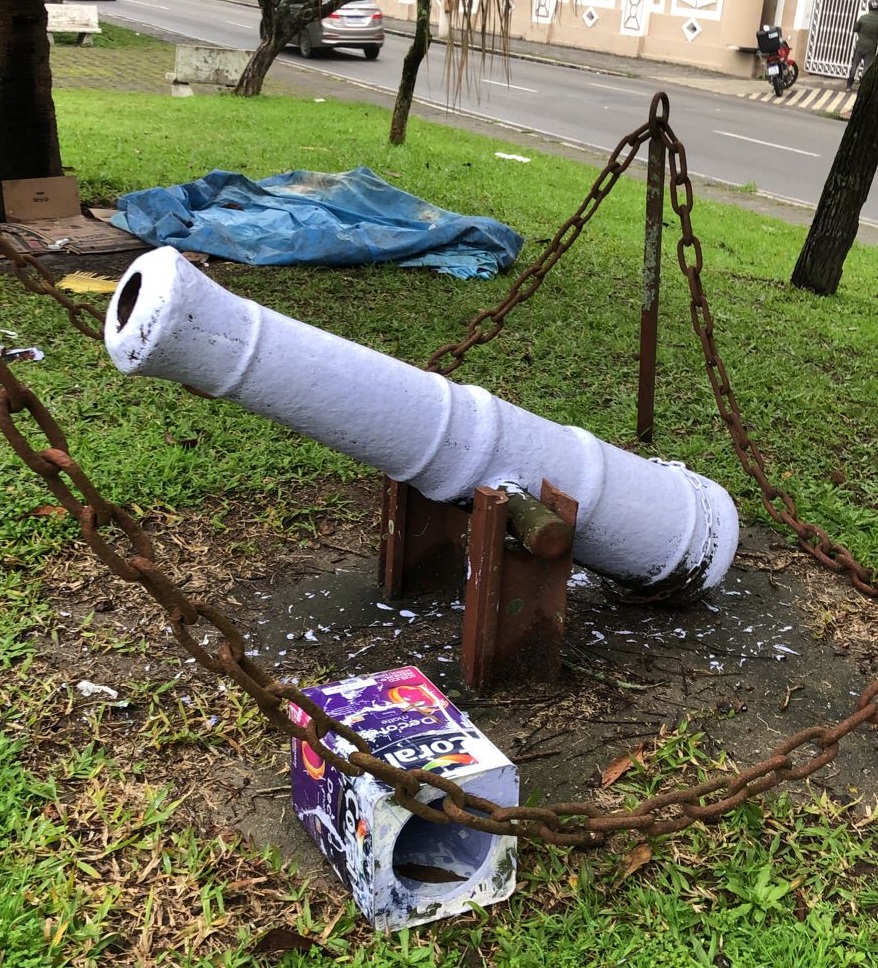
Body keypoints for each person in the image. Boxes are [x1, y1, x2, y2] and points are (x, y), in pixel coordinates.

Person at [847, 0, 878, 91]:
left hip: (860, 46)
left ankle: (849, 85)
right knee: (867, 67)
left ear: (869, 7)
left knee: (855, 64)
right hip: (871, 47)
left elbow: (855, 29)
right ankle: (862, 87)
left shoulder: (863, 18)